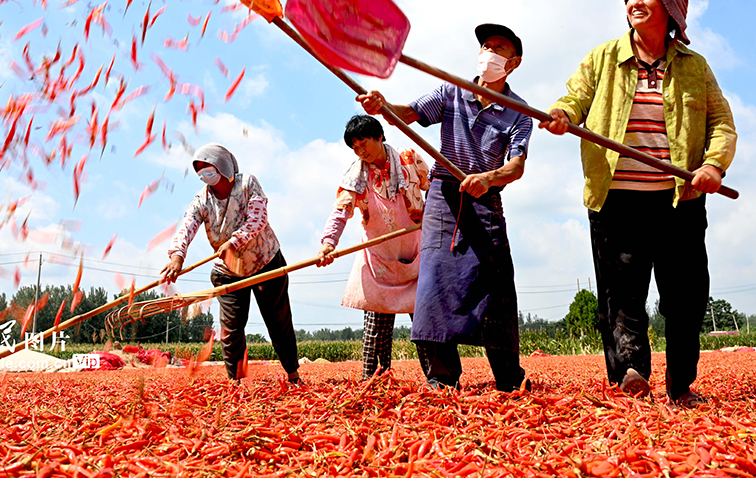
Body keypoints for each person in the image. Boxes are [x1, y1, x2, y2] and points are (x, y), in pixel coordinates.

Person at [540, 0, 736, 408]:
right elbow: (575, 98)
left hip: (677, 200)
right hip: (616, 199)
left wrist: (712, 165)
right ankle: (631, 373)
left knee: (685, 297)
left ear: (671, 10)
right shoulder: (603, 58)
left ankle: (681, 385)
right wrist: (561, 114)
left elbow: (721, 124)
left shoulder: (694, 66)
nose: (636, 0)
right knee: (620, 294)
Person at [357, 24, 532, 392]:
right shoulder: (452, 91)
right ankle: (442, 376)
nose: (489, 53)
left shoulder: (519, 113)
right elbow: (411, 113)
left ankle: (508, 376)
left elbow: (516, 167)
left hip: (486, 197)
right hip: (443, 198)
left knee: (496, 284)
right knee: (434, 283)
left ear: (513, 63)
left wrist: (489, 177)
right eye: (485, 45)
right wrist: (383, 106)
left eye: (499, 48)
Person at [161, 143, 302, 384]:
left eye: (209, 168)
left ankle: (293, 375)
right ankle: (235, 383)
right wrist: (177, 256)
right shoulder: (201, 200)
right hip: (228, 271)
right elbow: (187, 225)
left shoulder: (247, 183)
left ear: (223, 166)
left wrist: (234, 242)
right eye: (200, 171)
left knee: (278, 321)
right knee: (231, 330)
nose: (204, 175)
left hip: (265, 261)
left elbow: (258, 219)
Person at [316, 115, 430, 379]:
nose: (360, 152)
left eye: (363, 143)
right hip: (379, 257)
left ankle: (440, 379)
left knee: (426, 325)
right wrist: (328, 243)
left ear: (379, 136)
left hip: (416, 252)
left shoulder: (409, 159)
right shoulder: (356, 175)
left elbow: (433, 186)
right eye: (354, 148)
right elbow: (341, 211)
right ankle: (376, 382)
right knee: (376, 330)